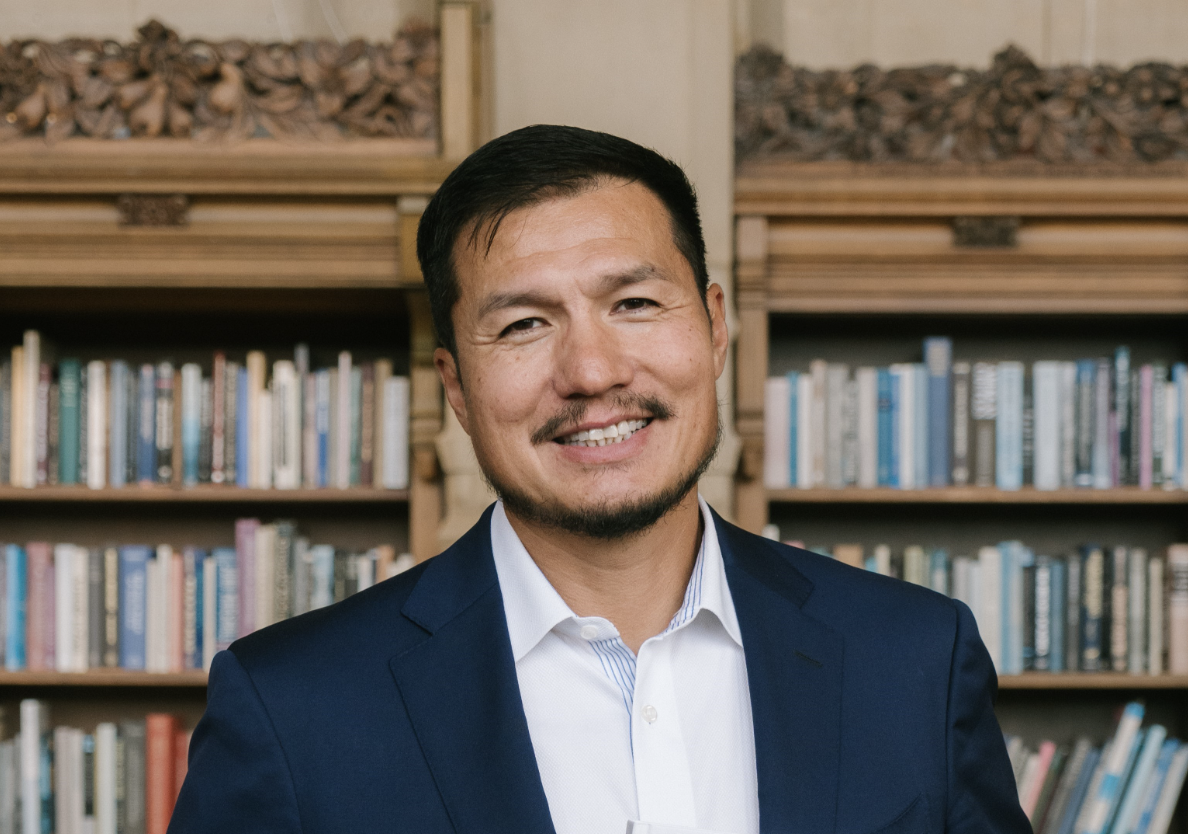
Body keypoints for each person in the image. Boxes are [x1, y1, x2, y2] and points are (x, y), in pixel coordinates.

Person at [170, 125, 1030, 834]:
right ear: (458, 389)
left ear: (716, 327)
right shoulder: (292, 708)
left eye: (635, 304)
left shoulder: (914, 660)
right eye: (523, 324)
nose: (591, 371)